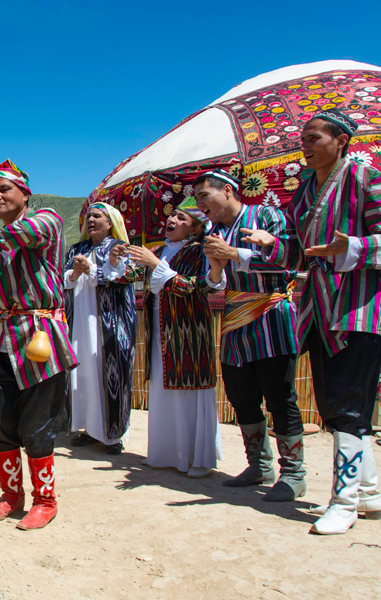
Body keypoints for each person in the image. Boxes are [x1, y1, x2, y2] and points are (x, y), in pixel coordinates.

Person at [240, 110, 381, 533]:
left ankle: (344, 502)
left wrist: (352, 246)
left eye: (314, 137)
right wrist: (271, 243)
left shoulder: (366, 179)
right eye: (303, 138)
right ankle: (369, 491)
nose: (305, 145)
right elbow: (299, 253)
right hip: (319, 308)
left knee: (347, 404)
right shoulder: (304, 191)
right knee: (336, 404)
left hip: (358, 308)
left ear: (341, 140)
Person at [0, 159, 78, 530]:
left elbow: (24, 233)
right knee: (1, 425)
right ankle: (11, 495)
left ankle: (45, 501)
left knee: (38, 427)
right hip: (0, 344)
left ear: (25, 194)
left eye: (4, 189)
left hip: (40, 341)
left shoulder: (47, 220)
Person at [195, 168, 306, 503]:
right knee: (241, 396)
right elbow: (211, 284)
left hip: (272, 316)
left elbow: (289, 261)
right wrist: (216, 269)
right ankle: (259, 465)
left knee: (280, 396)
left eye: (204, 196)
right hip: (234, 322)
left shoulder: (267, 216)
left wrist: (234, 254)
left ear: (228, 191)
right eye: (197, 199)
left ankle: (294, 475)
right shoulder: (213, 232)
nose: (200, 205)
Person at [105, 197, 222, 476]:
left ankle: (198, 459)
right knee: (163, 389)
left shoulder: (199, 251)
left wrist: (156, 264)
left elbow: (199, 287)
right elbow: (127, 276)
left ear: (195, 229)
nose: (172, 220)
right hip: (161, 333)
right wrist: (115, 259)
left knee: (189, 391)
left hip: (188, 333)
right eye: (173, 215)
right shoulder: (159, 250)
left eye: (182, 218)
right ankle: (166, 453)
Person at [63, 202, 136, 455]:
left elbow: (126, 277)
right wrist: (75, 274)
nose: (91, 220)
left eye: (97, 216)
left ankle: (113, 435)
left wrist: (91, 269)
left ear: (110, 222)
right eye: (88, 217)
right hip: (80, 323)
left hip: (110, 323)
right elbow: (64, 280)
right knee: (82, 374)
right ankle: (86, 428)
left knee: (110, 373)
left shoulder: (120, 247)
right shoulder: (76, 249)